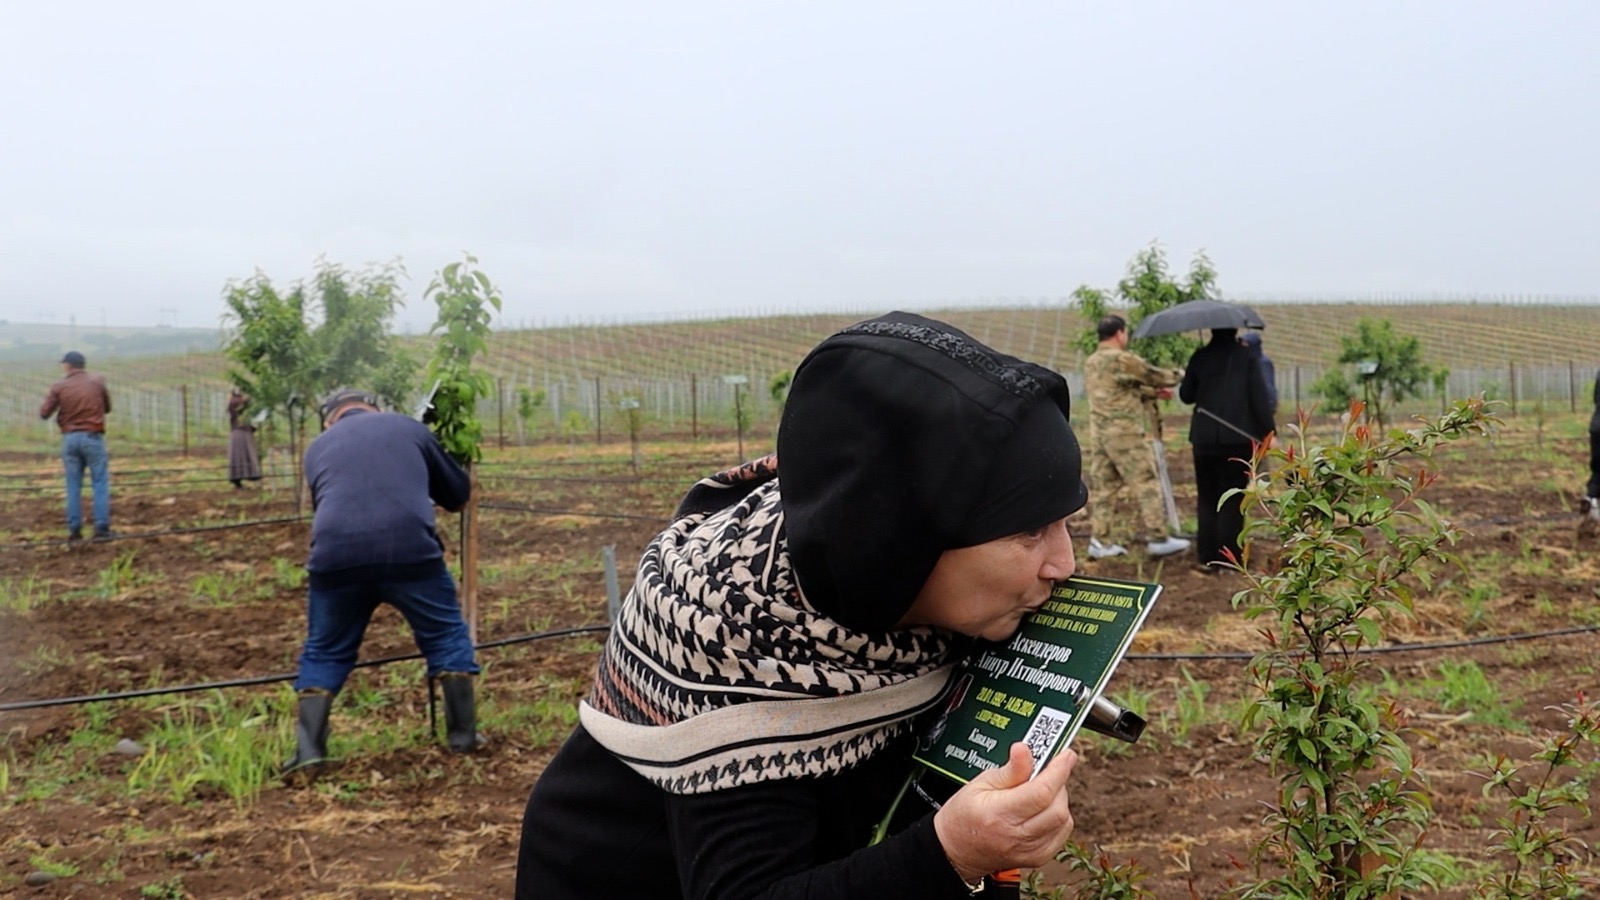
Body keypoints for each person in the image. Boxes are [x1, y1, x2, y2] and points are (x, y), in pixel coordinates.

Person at [516, 312, 1085, 898]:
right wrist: (949, 854)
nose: (1063, 564)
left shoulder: (875, 548)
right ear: (909, 539)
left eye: (1066, 522)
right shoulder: (741, 648)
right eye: (1029, 531)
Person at [282, 388, 486, 775]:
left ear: (328, 420)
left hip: (335, 556)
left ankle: (308, 754)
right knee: (444, 635)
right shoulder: (409, 428)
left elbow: (329, 503)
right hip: (410, 550)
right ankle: (463, 737)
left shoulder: (317, 447)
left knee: (324, 650)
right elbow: (458, 496)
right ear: (376, 409)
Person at [1081, 315, 1191, 560]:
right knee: (1146, 481)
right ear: (1120, 333)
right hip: (1125, 434)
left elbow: (1120, 389)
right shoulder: (1123, 359)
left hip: (1100, 434)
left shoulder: (1092, 362)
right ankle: (1158, 538)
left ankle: (1100, 541)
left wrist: (1153, 394)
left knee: (1106, 488)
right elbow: (1153, 375)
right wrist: (1181, 374)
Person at [1178, 328, 1277, 572]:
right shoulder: (1248, 358)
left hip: (1203, 439)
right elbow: (1259, 399)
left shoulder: (1200, 356)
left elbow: (1186, 395)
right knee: (1233, 498)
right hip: (1237, 439)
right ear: (1235, 330)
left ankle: (1207, 556)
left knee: (1207, 497)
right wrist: (1269, 432)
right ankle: (1229, 560)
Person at [38, 350, 113, 542]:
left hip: (70, 439)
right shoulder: (97, 382)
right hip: (93, 436)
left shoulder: (59, 386)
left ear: (67, 365)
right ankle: (101, 528)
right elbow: (107, 408)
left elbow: (44, 413)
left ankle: (74, 530)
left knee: (73, 485)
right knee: (100, 483)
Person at [227, 388, 263, 488]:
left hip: (244, 432)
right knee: (239, 457)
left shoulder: (238, 402)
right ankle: (237, 480)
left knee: (246, 455)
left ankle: (248, 478)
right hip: (240, 433)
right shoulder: (234, 402)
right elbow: (243, 403)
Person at [1238, 329, 1278, 416]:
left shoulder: (1263, 363)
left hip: (1260, 409)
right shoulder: (1245, 361)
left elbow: (1267, 386)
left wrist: (1269, 407)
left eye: (1246, 344)